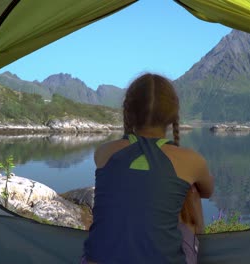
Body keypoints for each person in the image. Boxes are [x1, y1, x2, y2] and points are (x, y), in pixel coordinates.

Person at [82, 73, 214, 264]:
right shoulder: (191, 159)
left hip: (98, 259)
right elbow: (208, 191)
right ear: (173, 115)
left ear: (128, 112)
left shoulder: (103, 153)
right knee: (191, 190)